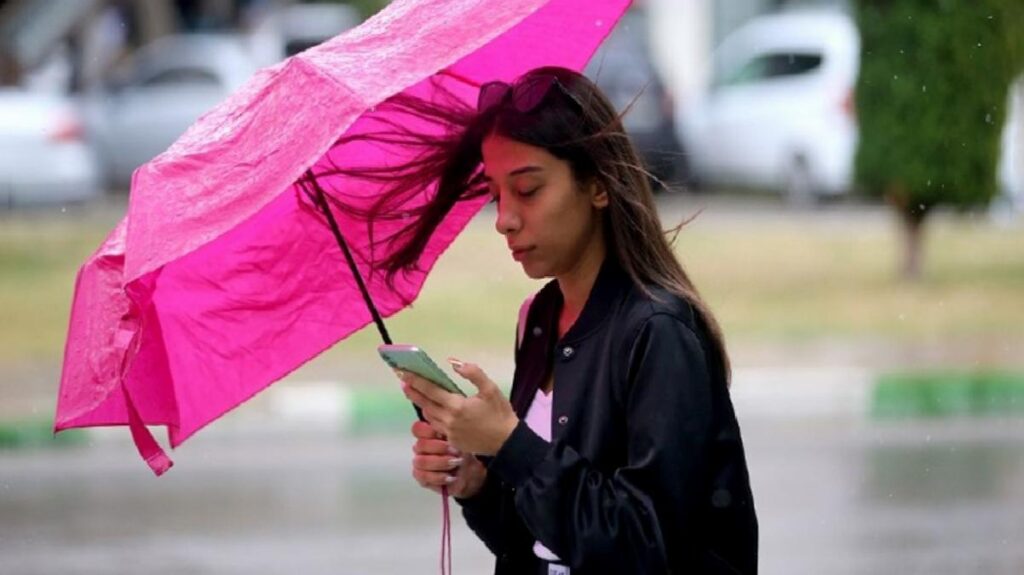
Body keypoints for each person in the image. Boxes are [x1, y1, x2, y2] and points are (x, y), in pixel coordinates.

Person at [375, 66, 757, 574]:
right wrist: (477, 483)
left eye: (528, 191)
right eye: (495, 194)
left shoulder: (659, 332)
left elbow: (648, 551)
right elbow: (540, 543)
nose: (505, 218)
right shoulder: (538, 320)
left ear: (599, 186)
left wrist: (510, 446)